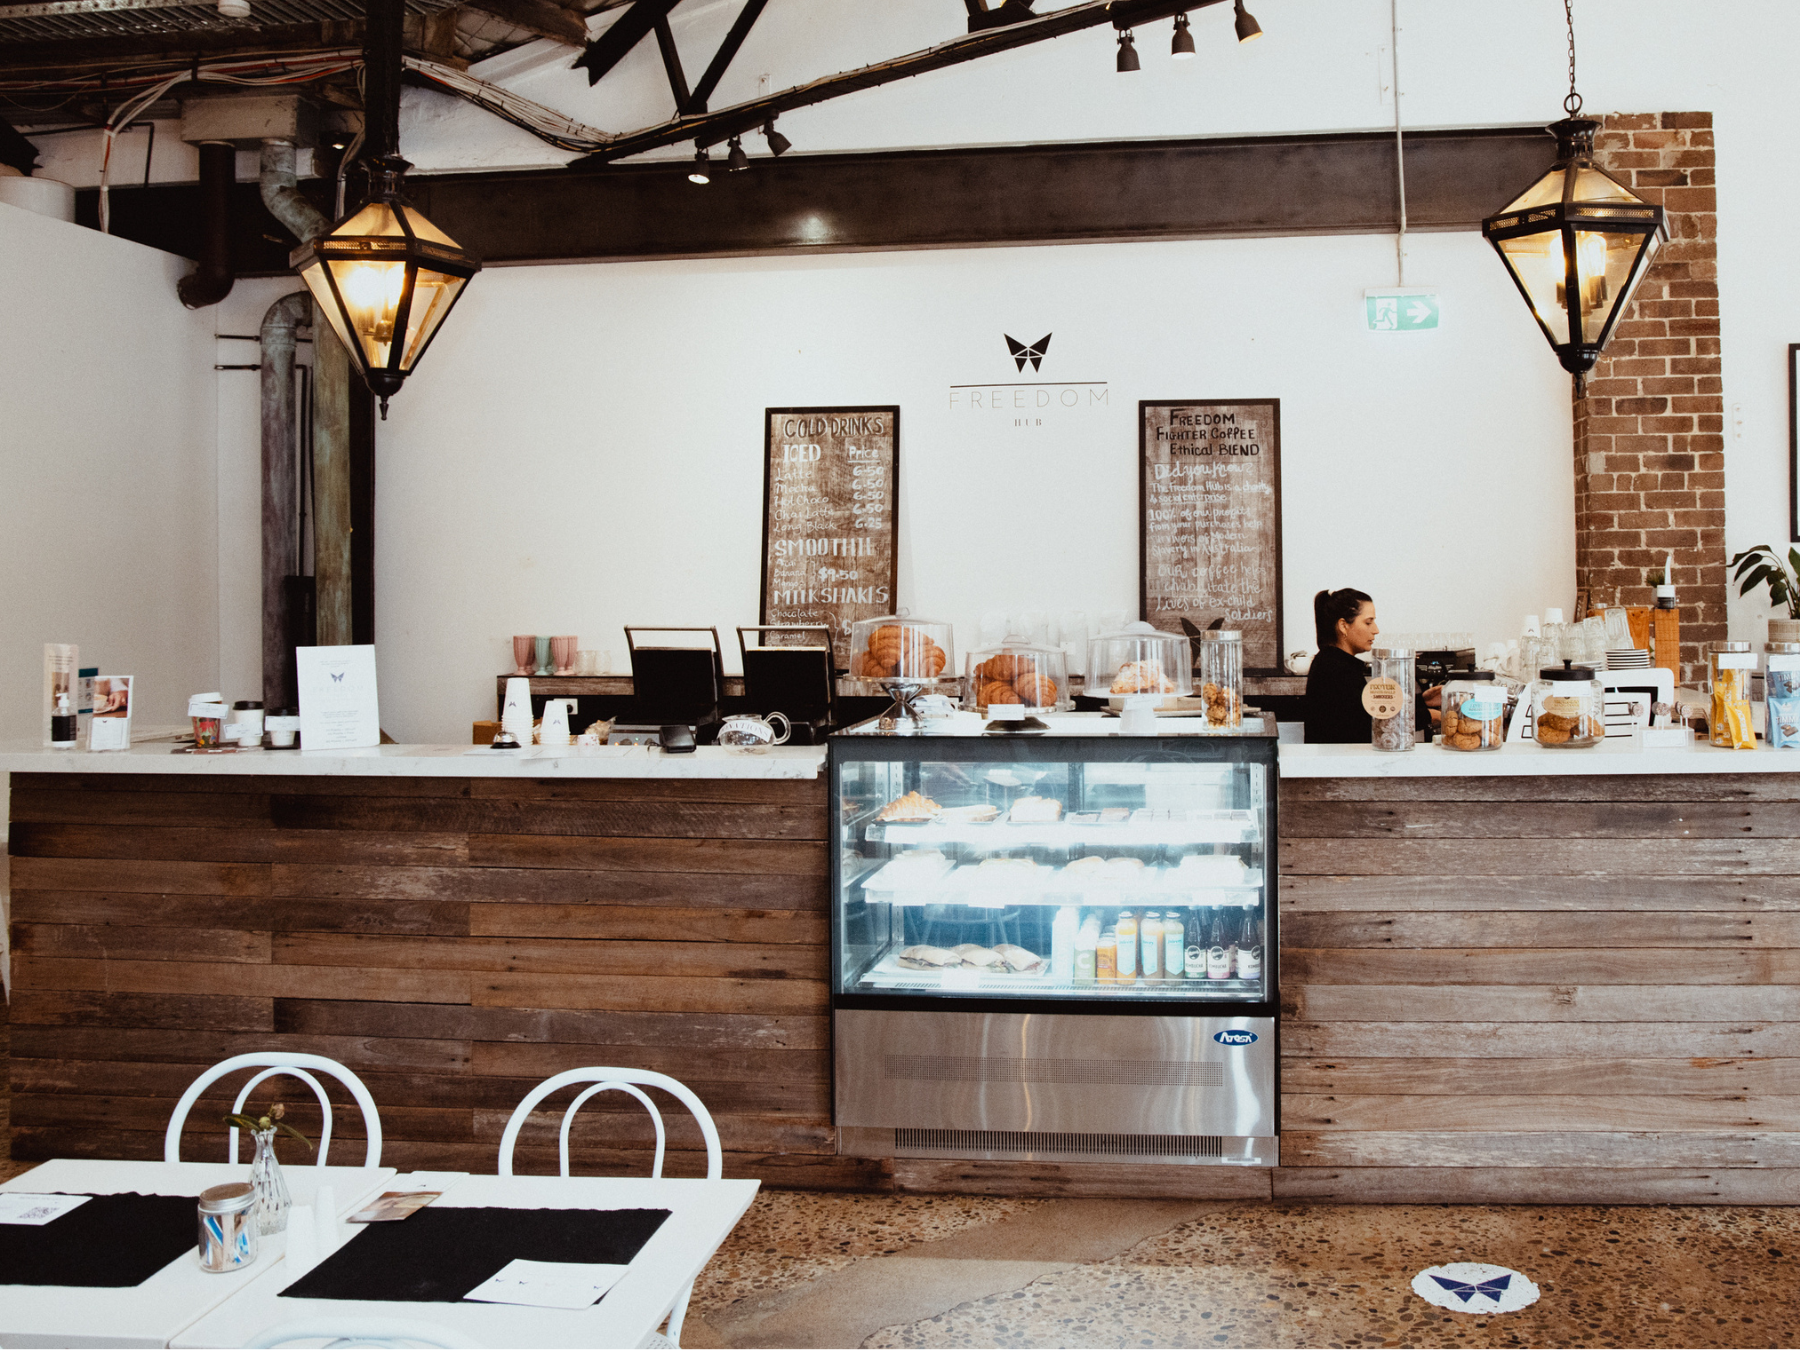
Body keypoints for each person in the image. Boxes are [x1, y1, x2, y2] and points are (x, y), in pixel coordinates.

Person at [1304, 588, 1379, 743]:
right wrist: (1427, 715)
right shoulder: (1336, 669)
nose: (1375, 630)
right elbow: (1370, 723)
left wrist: (1421, 702)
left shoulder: (1332, 661)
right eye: (1368, 622)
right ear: (1343, 626)